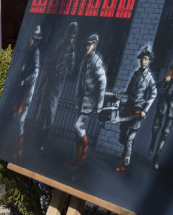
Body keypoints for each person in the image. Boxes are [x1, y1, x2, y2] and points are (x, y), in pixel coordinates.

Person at [35, 21, 77, 152]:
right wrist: (45, 78)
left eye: (73, 35)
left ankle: (43, 140)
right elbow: (52, 61)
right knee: (43, 106)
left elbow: (70, 69)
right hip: (50, 78)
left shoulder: (71, 51)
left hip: (57, 82)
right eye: (71, 34)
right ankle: (37, 136)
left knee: (50, 110)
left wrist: (61, 72)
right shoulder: (60, 46)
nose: (71, 37)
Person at [115, 46, 157, 172]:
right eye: (143, 59)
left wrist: (145, 109)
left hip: (138, 111)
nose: (144, 61)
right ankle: (127, 149)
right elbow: (128, 91)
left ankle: (125, 163)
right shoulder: (135, 74)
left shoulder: (149, 77)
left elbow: (153, 94)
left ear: (149, 61)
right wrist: (121, 97)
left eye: (146, 59)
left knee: (129, 139)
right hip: (128, 108)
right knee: (122, 136)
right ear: (140, 60)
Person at [71, 32, 106, 166]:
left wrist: (100, 105)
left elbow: (103, 82)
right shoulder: (85, 60)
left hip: (90, 101)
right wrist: (77, 98)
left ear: (94, 45)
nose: (87, 47)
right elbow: (80, 81)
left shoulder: (96, 61)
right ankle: (78, 158)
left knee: (78, 126)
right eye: (86, 44)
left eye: (89, 45)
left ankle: (85, 148)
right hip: (81, 100)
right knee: (77, 131)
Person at [10, 26, 42, 158]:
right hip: (23, 90)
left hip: (27, 91)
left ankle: (20, 150)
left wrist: (25, 80)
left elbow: (35, 72)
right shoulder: (31, 51)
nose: (29, 40)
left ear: (35, 40)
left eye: (31, 39)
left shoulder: (36, 53)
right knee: (14, 117)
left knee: (20, 121)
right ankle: (13, 146)